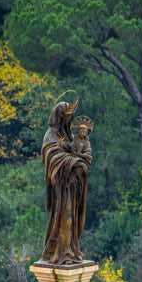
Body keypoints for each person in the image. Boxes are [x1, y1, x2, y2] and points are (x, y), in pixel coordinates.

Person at [40, 101, 90, 264]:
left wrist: (80, 160)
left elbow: (79, 149)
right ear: (59, 117)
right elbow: (51, 156)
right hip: (60, 186)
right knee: (64, 217)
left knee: (72, 218)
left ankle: (71, 250)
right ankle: (62, 253)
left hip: (73, 184)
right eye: (66, 117)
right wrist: (73, 162)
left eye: (71, 118)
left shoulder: (69, 135)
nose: (69, 121)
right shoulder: (51, 135)